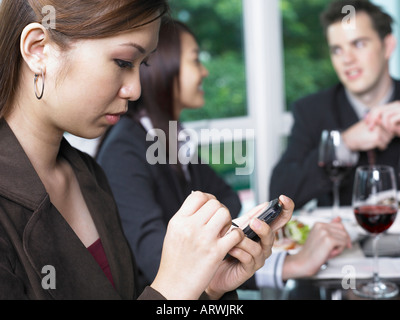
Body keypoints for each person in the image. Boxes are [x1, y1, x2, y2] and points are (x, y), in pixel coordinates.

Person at [0, 0, 294, 300]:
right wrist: (173, 288)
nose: (136, 90)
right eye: (124, 62)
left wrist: (205, 288)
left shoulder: (89, 176)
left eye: (143, 65)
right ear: (39, 50)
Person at [97, 18, 352, 292]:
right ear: (162, 67)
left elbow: (227, 195)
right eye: (195, 60)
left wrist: (209, 238)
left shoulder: (169, 139)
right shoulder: (125, 153)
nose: (204, 72)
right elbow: (161, 263)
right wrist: (289, 264)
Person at [270, 0, 400, 209]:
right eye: (337, 50)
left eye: (358, 44)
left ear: (388, 46)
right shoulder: (311, 111)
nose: (346, 59)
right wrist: (343, 143)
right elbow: (279, 194)